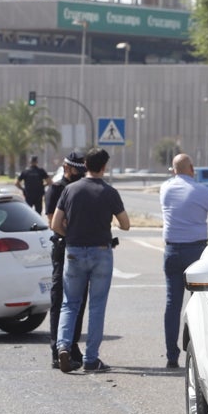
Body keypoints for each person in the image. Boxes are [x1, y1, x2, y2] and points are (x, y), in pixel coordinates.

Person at [51, 148, 130, 373]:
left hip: (74, 251)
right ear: (104, 167)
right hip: (101, 251)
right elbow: (125, 224)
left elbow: (56, 224)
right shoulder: (110, 192)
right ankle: (91, 358)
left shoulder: (70, 190)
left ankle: (63, 347)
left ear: (85, 165)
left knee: (70, 303)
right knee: (96, 307)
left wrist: (72, 234)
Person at [159, 153, 208, 369]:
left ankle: (171, 355)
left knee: (172, 304)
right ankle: (202, 354)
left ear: (173, 169)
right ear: (192, 168)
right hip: (195, 252)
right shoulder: (199, 190)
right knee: (202, 304)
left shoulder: (165, 189)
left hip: (171, 251)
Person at [44, 150, 88, 369]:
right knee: (59, 300)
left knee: (79, 302)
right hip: (64, 249)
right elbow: (53, 219)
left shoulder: (84, 188)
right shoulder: (56, 188)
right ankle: (56, 349)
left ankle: (71, 345)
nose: (80, 174)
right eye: (76, 170)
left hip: (81, 249)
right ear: (67, 168)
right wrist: (75, 233)